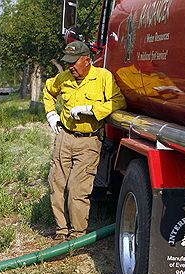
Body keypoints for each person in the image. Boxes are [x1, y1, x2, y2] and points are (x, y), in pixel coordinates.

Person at [43, 40, 126, 240]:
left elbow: (119, 101)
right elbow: (48, 90)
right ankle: (61, 232)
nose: (71, 67)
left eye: (74, 62)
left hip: (89, 141)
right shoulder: (63, 78)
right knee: (57, 186)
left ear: (87, 60)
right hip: (65, 137)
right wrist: (51, 114)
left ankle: (77, 235)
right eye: (68, 62)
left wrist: (92, 110)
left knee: (77, 190)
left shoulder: (103, 78)